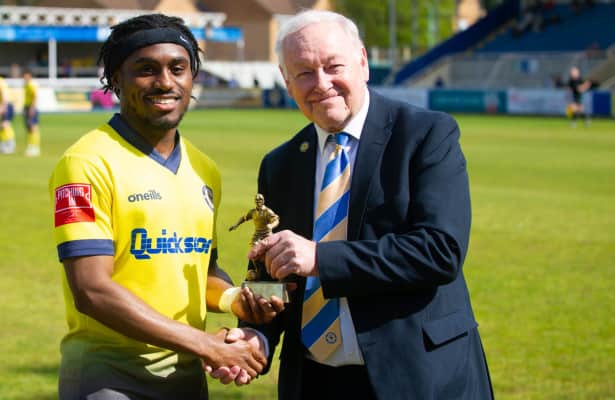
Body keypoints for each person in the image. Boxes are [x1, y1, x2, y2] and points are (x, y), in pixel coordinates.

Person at [210, 10, 493, 399]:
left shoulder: (426, 134)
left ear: (362, 62)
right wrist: (257, 336)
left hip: (417, 377)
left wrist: (321, 258)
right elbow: (275, 273)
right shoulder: (280, 163)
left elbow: (440, 251)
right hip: (314, 382)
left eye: (333, 66)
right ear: (286, 81)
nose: (321, 83)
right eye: (304, 72)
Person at [49, 13, 282, 399]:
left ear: (192, 77)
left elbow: (200, 270)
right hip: (110, 378)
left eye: (178, 68)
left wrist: (235, 300)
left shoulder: (205, 169)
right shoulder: (85, 164)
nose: (165, 82)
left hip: (187, 377)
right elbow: (92, 290)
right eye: (146, 70)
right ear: (115, 79)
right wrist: (204, 343)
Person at [229, 193, 280, 280]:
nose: (258, 201)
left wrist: (271, 226)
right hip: (257, 235)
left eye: (260, 199)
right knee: (253, 253)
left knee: (270, 253)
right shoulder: (253, 212)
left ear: (263, 201)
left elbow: (276, 219)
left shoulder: (267, 211)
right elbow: (244, 218)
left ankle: (273, 272)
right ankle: (258, 271)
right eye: (256, 200)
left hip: (267, 235)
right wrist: (235, 225)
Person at [22, 69, 41, 156]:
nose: (24, 77)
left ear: (29, 75)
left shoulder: (31, 84)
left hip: (31, 107)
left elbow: (35, 96)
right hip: (28, 106)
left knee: (33, 127)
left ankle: (35, 147)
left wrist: (32, 107)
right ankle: (31, 146)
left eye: (26, 75)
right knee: (29, 128)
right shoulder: (27, 84)